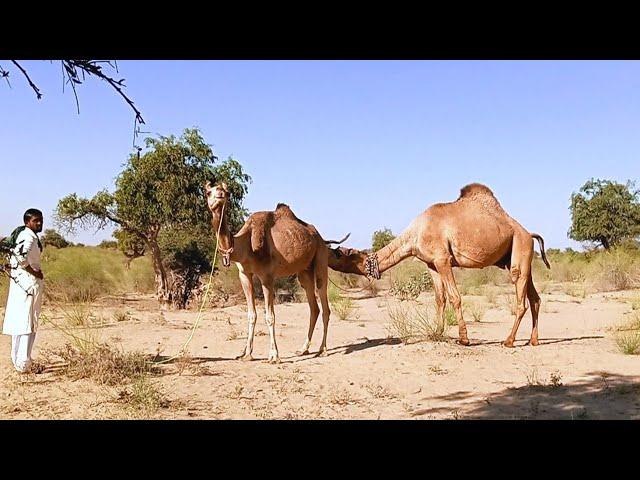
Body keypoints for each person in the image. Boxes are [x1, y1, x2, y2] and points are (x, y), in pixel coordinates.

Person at [2, 209, 44, 373]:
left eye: (41, 220)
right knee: (28, 321)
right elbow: (21, 256)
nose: (39, 223)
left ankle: (19, 359)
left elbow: (15, 255)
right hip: (28, 283)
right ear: (28, 222)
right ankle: (24, 362)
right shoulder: (28, 236)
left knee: (21, 320)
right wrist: (35, 273)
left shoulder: (22, 234)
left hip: (20, 282)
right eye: (36, 221)